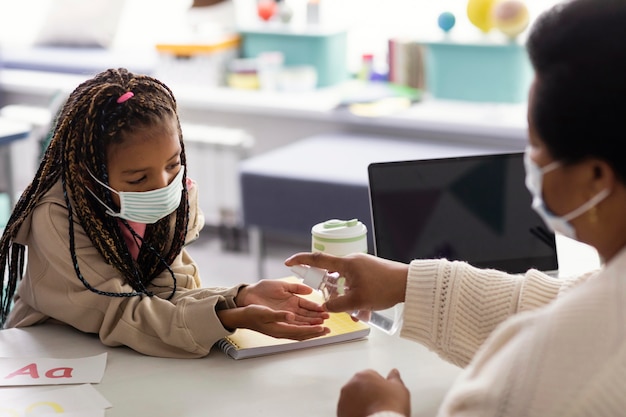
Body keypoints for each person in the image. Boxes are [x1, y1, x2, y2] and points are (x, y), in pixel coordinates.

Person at [286, 0, 626, 415]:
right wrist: (408, 283)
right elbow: (565, 301)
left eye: (536, 145)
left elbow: (572, 333)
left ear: (595, 177)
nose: (529, 162)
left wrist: (381, 412)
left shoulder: (549, 388)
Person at [0, 68, 330, 358]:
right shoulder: (58, 219)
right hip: (49, 352)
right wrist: (231, 316)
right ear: (91, 175)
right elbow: (120, 312)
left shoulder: (176, 194)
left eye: (172, 165)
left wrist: (241, 297)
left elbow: (168, 294)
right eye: (138, 178)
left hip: (128, 352)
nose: (162, 185)